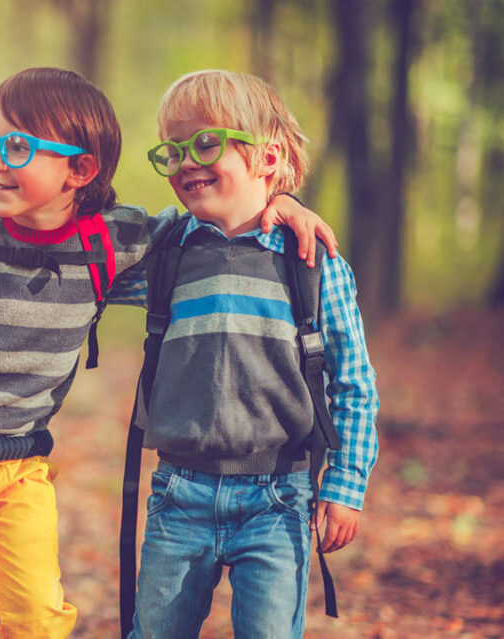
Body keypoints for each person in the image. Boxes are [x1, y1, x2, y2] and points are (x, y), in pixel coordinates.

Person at [0, 67, 335, 638]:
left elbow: (202, 230)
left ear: (80, 169)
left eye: (15, 147)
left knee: (38, 618)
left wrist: (280, 207)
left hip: (19, 464)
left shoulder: (110, 242)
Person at [109, 69, 380, 639]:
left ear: (266, 157)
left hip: (279, 496)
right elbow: (86, 250)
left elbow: (353, 381)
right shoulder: (166, 254)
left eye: (205, 143)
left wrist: (345, 483)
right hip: (180, 492)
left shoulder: (312, 263)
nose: (185, 161)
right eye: (172, 151)